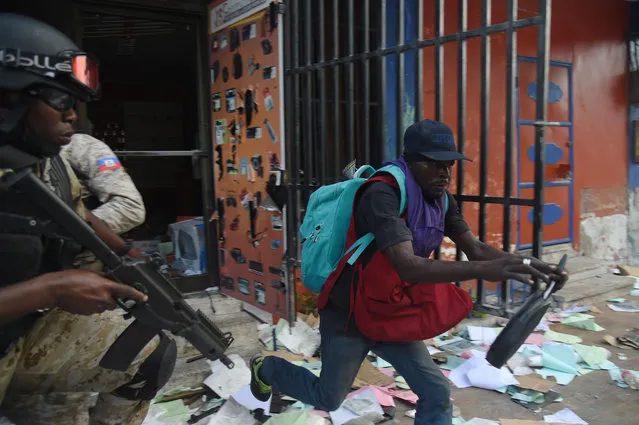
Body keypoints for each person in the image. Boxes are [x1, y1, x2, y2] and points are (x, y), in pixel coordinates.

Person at [249, 120, 569, 425]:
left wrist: (526, 264)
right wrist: (491, 268)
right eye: (435, 164)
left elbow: (475, 249)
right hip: (349, 313)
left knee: (436, 391)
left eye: (450, 165)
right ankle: (268, 368)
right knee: (328, 397)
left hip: (391, 310)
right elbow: (408, 264)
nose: (445, 174)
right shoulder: (382, 194)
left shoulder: (441, 200)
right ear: (411, 161)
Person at [0, 13, 175, 425]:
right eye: (61, 101)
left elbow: (77, 213)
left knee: (152, 354)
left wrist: (125, 255)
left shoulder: (42, 166)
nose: (73, 117)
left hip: (24, 333)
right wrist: (52, 289)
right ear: (10, 98)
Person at [60, 133, 146, 270]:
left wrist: (65, 230)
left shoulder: (78, 146)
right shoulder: (18, 156)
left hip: (73, 260)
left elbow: (131, 208)